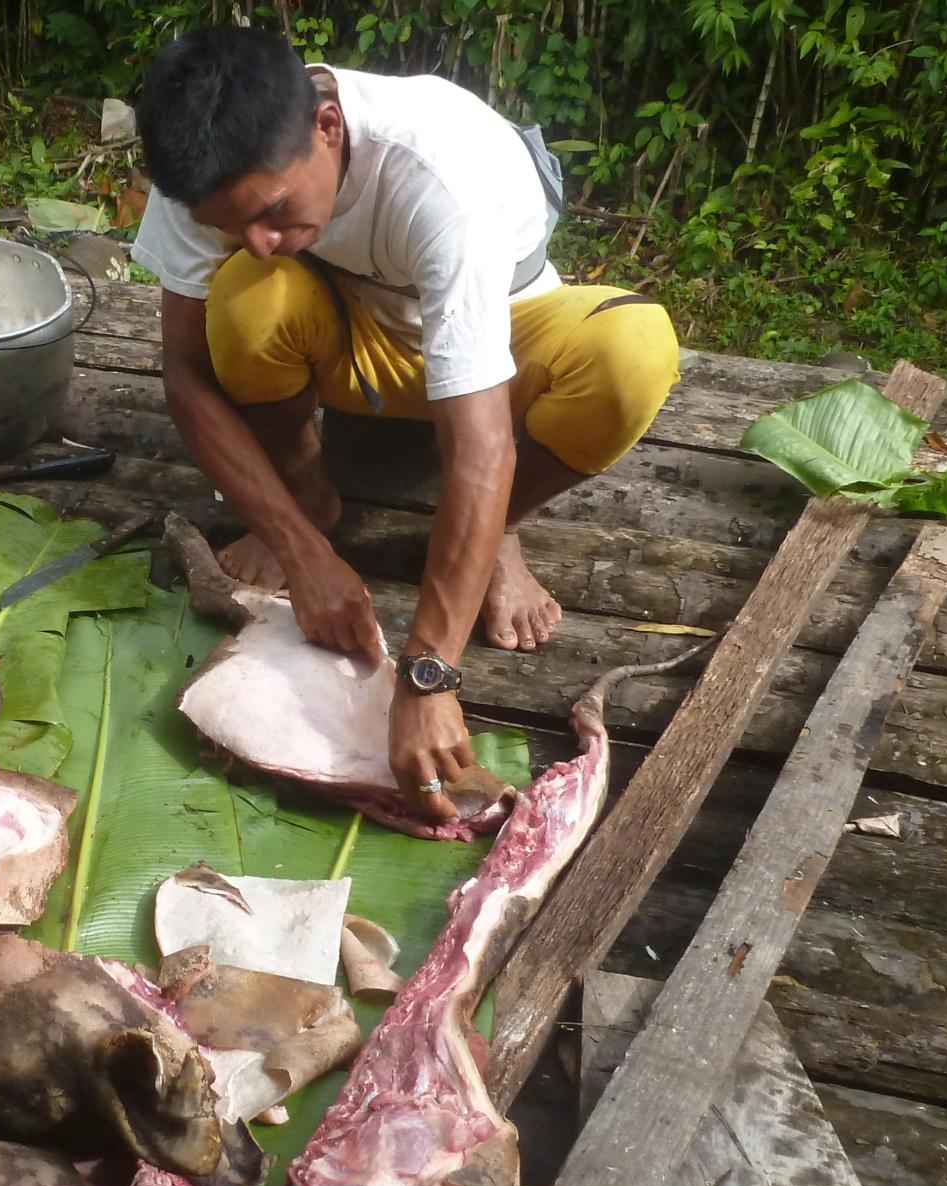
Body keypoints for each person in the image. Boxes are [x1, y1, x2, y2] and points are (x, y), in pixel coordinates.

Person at [130, 26, 681, 825]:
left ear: (327, 126)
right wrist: (299, 547)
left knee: (631, 354)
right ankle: (310, 496)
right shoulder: (204, 164)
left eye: (277, 211)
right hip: (349, 338)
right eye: (233, 224)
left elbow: (481, 439)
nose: (259, 238)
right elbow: (184, 374)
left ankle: (497, 536)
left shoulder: (435, 171)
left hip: (499, 347)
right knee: (248, 298)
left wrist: (429, 675)